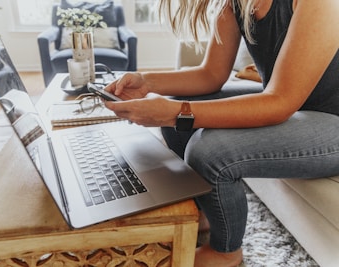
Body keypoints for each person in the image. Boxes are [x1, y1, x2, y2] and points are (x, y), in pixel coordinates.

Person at [104, 0, 339, 266]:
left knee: (209, 150)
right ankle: (204, 214)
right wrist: (147, 82)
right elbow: (211, 75)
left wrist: (174, 112)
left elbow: (280, 102)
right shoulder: (236, 4)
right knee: (181, 103)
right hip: (297, 104)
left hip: (332, 117)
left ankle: (226, 252)